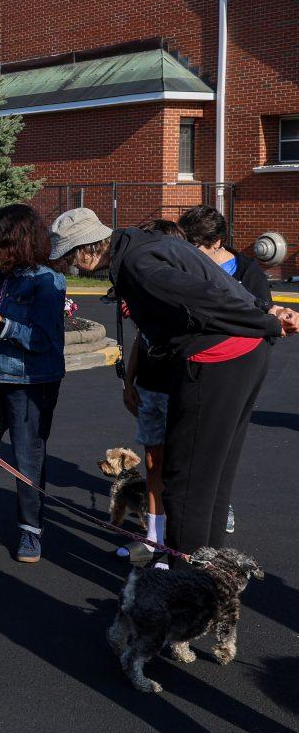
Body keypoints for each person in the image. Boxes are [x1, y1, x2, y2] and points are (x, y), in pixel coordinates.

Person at [49, 207, 297, 559]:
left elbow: (205, 297)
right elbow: (216, 278)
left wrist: (266, 320)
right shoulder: (146, 242)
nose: (68, 266)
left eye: (69, 257)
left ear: (88, 247)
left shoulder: (138, 264)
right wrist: (264, 311)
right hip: (243, 356)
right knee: (212, 477)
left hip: (216, 363)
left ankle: (186, 590)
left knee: (184, 483)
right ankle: (209, 576)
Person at [0, 203, 65, 564]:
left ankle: (31, 532)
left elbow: (44, 340)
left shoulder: (47, 280)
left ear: (18, 241)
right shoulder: (5, 276)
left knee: (28, 457)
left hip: (31, 381)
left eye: (0, 240)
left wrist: (1, 324)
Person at [178, 204, 273, 536]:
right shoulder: (183, 268)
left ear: (217, 242)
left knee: (217, 456)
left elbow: (263, 322)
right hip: (190, 371)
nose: (190, 254)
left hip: (229, 371)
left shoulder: (247, 274)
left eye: (197, 247)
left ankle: (215, 513)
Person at [119, 219, 186, 562]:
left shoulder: (187, 292)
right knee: (152, 463)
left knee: (182, 466)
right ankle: (153, 539)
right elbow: (139, 342)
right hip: (149, 388)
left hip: (182, 389)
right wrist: (129, 382)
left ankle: (177, 544)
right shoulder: (145, 291)